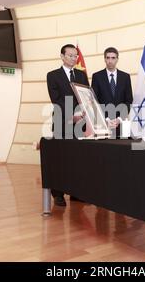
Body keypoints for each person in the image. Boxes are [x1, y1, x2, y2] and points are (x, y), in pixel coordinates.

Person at [47, 44, 89, 206]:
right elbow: (56, 100)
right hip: (62, 122)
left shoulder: (82, 75)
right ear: (62, 56)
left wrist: (86, 113)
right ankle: (58, 194)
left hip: (80, 124)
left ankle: (76, 192)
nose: (73, 58)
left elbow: (87, 96)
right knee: (60, 160)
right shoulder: (53, 75)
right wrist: (72, 115)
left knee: (77, 160)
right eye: (70, 55)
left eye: (75, 56)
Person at [91, 47, 133, 136]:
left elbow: (128, 100)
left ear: (117, 59)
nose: (110, 60)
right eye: (108, 57)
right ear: (104, 59)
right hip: (103, 124)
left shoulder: (125, 77)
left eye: (113, 58)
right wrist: (106, 119)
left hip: (121, 124)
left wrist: (119, 119)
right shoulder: (97, 76)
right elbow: (94, 100)